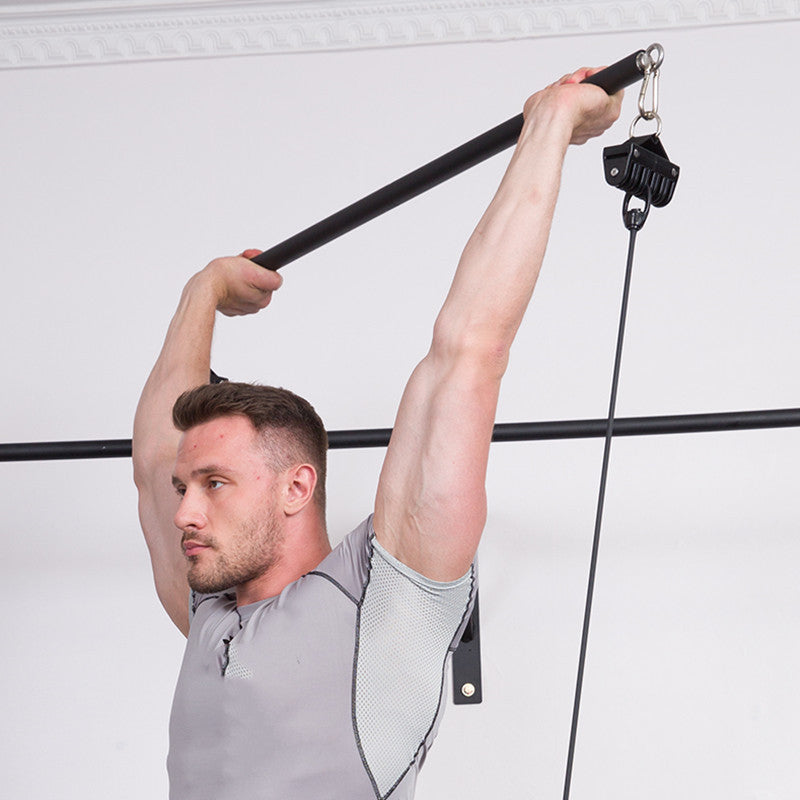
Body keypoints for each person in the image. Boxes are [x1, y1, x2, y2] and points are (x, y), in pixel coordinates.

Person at [132, 68, 622, 800]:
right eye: (187, 488)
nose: (184, 511)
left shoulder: (384, 609)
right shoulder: (209, 612)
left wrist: (548, 127)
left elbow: (467, 352)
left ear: (298, 485)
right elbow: (152, 459)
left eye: (215, 484)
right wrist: (200, 291)